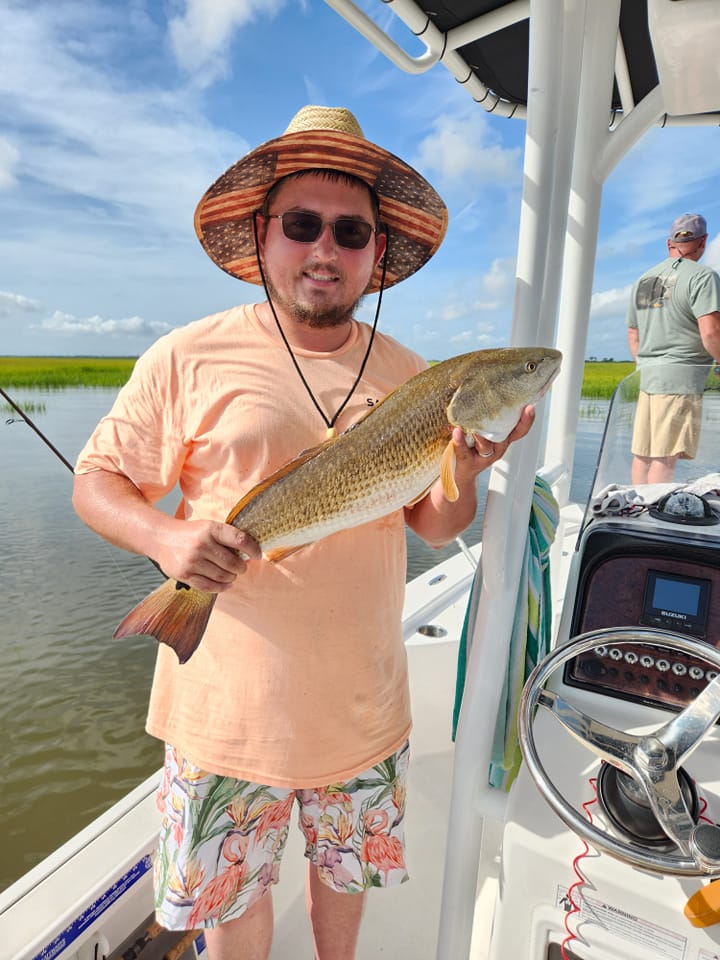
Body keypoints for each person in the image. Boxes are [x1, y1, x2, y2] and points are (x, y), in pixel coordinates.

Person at [72, 105, 535, 960]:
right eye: (302, 224)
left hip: (363, 708)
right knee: (234, 907)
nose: (326, 248)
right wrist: (166, 543)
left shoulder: (414, 375)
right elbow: (96, 484)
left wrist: (463, 476)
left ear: (375, 251)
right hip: (223, 716)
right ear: (263, 233)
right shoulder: (187, 356)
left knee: (343, 892)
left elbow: (434, 524)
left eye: (350, 230)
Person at [626, 212, 720, 484]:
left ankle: (636, 508)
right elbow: (711, 331)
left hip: (648, 378)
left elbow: (634, 333)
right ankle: (652, 520)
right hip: (681, 380)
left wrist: (644, 365)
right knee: (665, 457)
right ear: (702, 243)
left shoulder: (645, 281)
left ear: (669, 244)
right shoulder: (703, 278)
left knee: (643, 454)